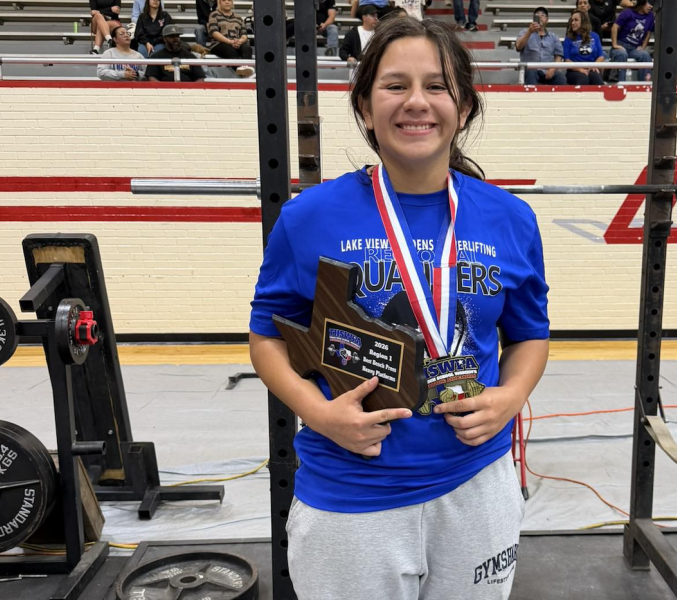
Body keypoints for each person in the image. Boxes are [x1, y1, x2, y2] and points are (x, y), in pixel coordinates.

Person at [249, 16, 550, 600]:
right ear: (364, 107)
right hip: (349, 492)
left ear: (463, 107)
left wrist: (510, 399)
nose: (417, 102)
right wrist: (319, 413)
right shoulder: (309, 218)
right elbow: (267, 338)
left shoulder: (509, 218)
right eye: (395, 85)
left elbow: (530, 335)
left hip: (476, 482)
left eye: (437, 86)